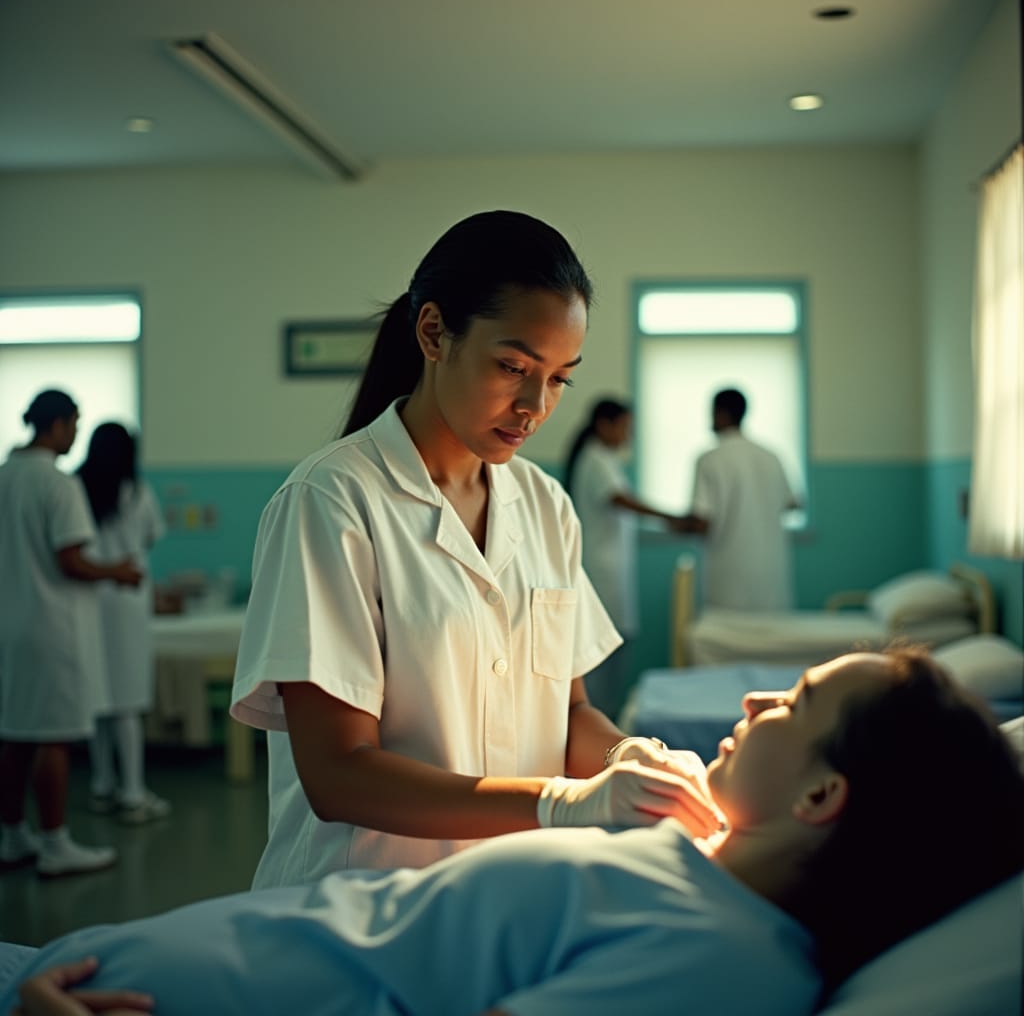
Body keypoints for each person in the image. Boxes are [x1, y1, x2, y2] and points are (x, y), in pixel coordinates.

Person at [3, 647, 1022, 1015]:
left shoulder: (721, 961)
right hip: (100, 964)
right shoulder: (690, 868)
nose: (755, 697)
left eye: (795, 699)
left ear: (819, 799)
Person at [230, 210, 719, 887]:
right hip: (357, 906)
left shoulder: (545, 506)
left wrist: (628, 759)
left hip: (500, 898)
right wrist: (558, 802)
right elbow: (339, 774)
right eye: (512, 366)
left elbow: (570, 711)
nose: (534, 404)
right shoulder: (333, 499)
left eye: (559, 378)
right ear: (434, 333)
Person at [0, 390, 142, 879]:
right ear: (57, 425)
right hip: (50, 625)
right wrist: (118, 573)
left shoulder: (4, 477)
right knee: (53, 737)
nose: (76, 433)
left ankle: (14, 834)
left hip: (10, 625)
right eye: (74, 424)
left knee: (16, 732)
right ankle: (56, 842)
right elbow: (71, 560)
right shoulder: (56, 484)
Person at [563, 397, 687, 718]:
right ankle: (597, 720)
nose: (628, 436)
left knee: (611, 650)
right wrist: (670, 517)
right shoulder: (595, 460)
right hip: (601, 573)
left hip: (610, 570)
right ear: (605, 425)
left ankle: (603, 717)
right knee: (602, 656)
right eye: (624, 428)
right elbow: (621, 500)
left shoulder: (604, 458)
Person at [76, 423, 170, 826]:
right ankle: (133, 793)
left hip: (91, 598)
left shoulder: (77, 490)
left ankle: (102, 787)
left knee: (99, 698)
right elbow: (150, 538)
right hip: (129, 599)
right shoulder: (138, 493)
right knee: (128, 702)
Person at [679, 387, 799, 611]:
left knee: (728, 640)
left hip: (728, 578)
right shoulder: (771, 456)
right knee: (773, 641)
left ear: (721, 413)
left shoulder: (709, 459)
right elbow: (793, 503)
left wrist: (675, 523)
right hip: (771, 576)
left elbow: (701, 521)